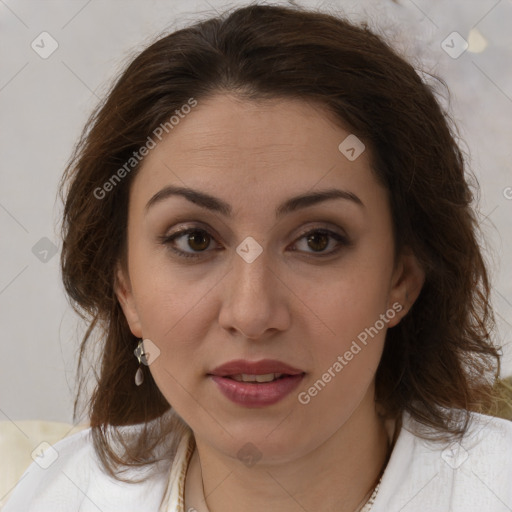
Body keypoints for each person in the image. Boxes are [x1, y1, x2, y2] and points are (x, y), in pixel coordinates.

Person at [4, 3, 512, 512]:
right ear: (125, 287)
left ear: (401, 279)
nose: (251, 315)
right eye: (194, 240)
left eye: (318, 241)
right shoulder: (55, 495)